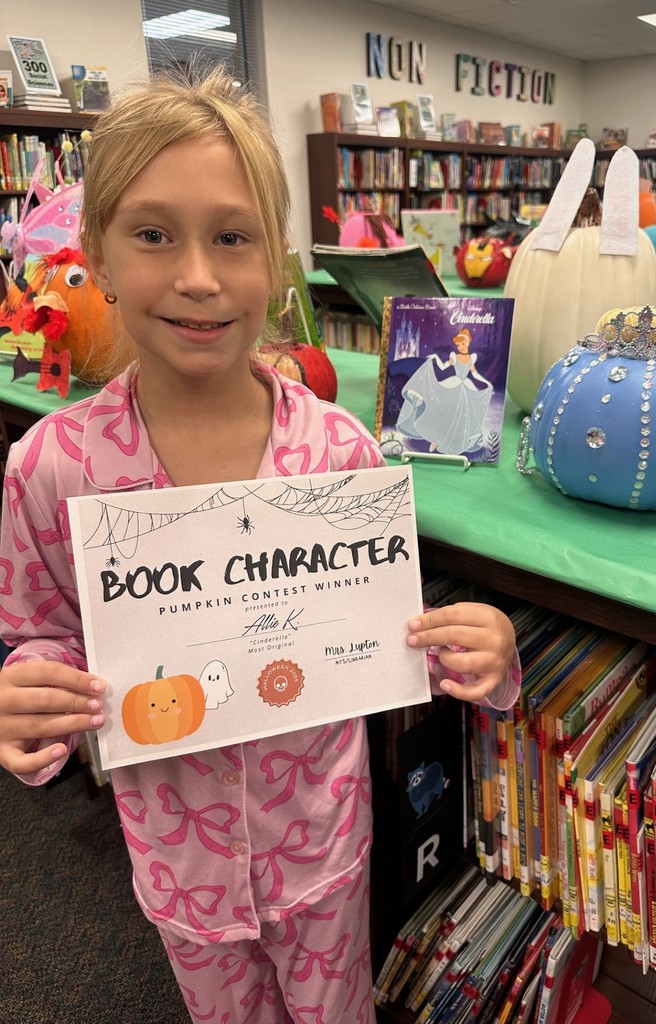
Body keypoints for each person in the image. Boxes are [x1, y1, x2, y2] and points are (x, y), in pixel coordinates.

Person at [0, 66, 520, 1024]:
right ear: (97, 256)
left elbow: (391, 631)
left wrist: (481, 650)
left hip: (324, 848)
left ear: (276, 263)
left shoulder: (340, 451)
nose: (198, 276)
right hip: (179, 862)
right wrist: (28, 705)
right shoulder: (52, 466)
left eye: (232, 238)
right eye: (153, 234)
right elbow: (39, 635)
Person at [396, 326, 493, 455]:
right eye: (458, 345)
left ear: (468, 343)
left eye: (462, 344)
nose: (460, 347)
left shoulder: (471, 359)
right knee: (443, 409)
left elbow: (475, 375)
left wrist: (487, 383)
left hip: (465, 387)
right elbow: (442, 367)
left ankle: (458, 441)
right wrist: (435, 358)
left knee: (464, 414)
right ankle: (436, 439)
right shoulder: (455, 357)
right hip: (454, 383)